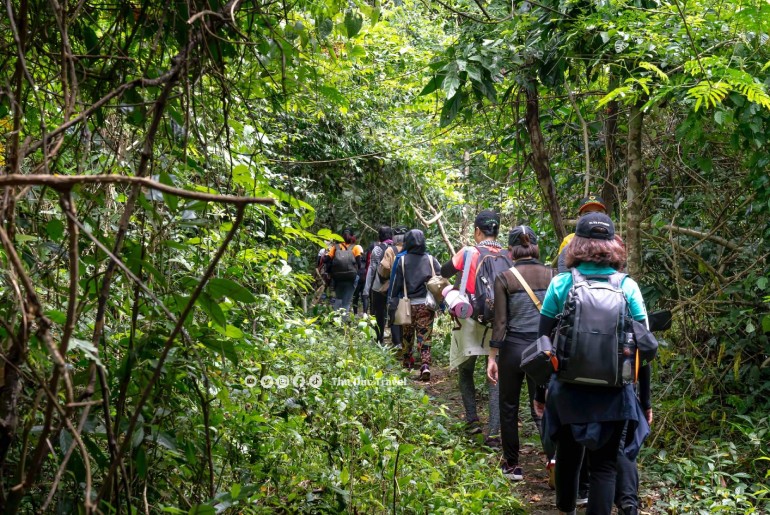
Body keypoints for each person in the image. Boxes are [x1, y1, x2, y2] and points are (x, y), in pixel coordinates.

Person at [537, 212, 650, 515]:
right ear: (614, 244)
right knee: (604, 468)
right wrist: (645, 401)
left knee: (569, 457)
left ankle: (565, 510)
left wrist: (540, 394)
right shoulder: (628, 286)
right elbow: (643, 348)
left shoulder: (561, 284)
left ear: (576, 244)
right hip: (614, 393)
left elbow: (542, 342)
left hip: (568, 391)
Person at [487, 225, 554, 481]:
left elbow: (500, 322)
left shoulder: (505, 277)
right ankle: (553, 459)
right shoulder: (553, 275)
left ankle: (512, 465)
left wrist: (492, 356)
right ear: (535, 246)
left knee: (508, 406)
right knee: (544, 406)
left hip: (514, 350)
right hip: (542, 351)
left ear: (511, 249)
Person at [440, 210, 508, 444]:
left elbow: (444, 272)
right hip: (498, 323)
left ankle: (472, 421)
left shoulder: (469, 252)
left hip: (469, 318)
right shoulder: (507, 255)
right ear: (497, 230)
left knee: (466, 370)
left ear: (478, 231)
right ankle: (495, 432)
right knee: (495, 377)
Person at [390, 229, 441, 380]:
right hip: (426, 305)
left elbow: (396, 285)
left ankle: (407, 362)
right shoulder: (431, 259)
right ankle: (425, 364)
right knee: (425, 335)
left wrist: (391, 304)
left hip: (407, 305)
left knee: (406, 334)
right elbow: (440, 281)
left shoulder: (402, 260)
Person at [556, 195, 608, 273]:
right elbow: (563, 270)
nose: (593, 216)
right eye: (587, 213)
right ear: (579, 217)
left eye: (598, 212)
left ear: (606, 216)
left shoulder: (614, 241)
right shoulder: (569, 240)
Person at [378, 226, 408, 348]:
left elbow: (384, 268)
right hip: (411, 287)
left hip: (395, 285)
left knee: (394, 313)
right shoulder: (411, 250)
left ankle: (397, 342)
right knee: (407, 313)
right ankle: (406, 342)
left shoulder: (390, 250)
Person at [363, 226, 394, 343]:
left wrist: (366, 289)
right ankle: (396, 339)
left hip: (378, 286)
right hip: (393, 286)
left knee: (379, 313)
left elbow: (372, 269)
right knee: (393, 311)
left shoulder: (377, 250)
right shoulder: (396, 249)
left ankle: (378, 338)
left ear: (379, 236)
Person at [324, 228, 364, 315]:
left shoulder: (336, 247)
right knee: (346, 302)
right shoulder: (355, 247)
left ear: (341, 237)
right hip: (351, 278)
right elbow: (359, 264)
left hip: (338, 278)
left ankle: (335, 321)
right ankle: (343, 324)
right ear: (353, 236)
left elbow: (326, 259)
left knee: (338, 299)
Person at [351, 236, 370, 316]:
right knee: (364, 295)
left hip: (357, 276)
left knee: (355, 295)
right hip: (364, 276)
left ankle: (355, 313)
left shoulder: (354, 256)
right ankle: (365, 313)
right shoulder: (365, 257)